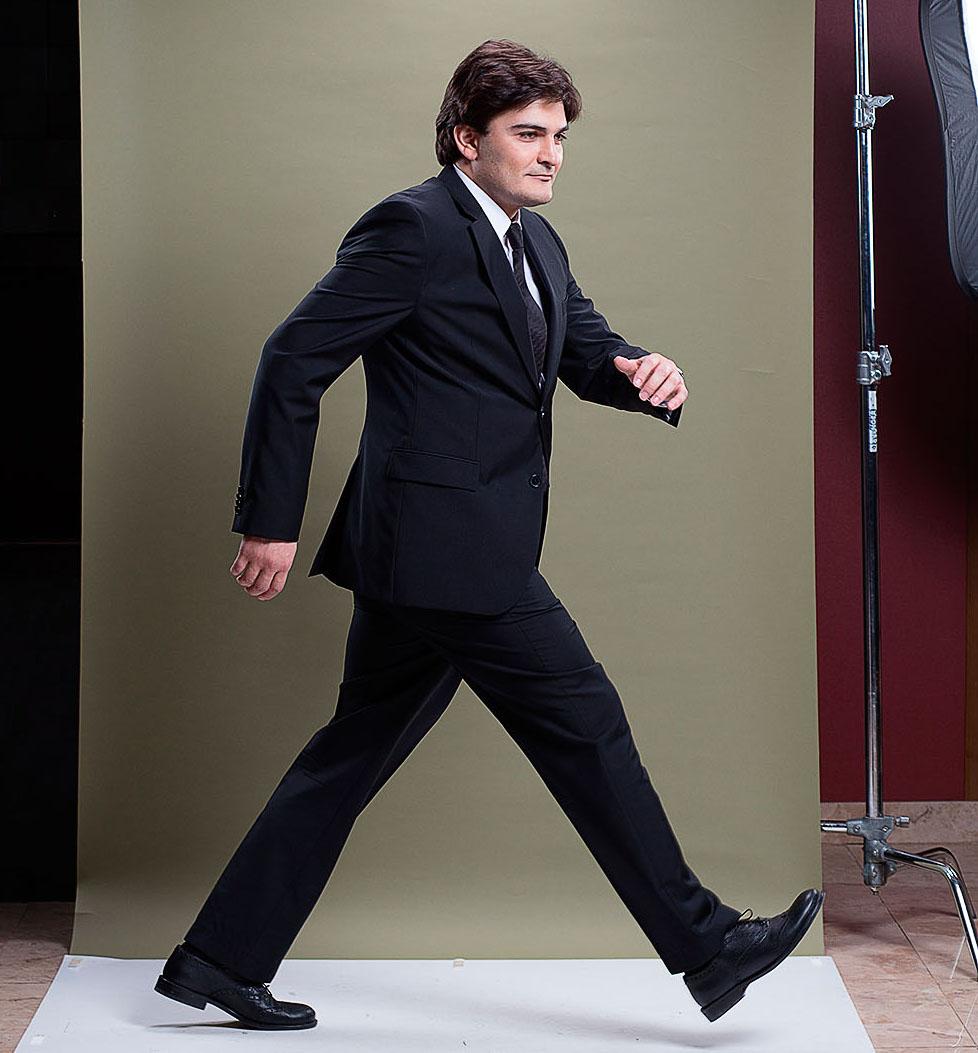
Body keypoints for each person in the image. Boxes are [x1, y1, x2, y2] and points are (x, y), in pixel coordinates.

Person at [155, 38, 824, 1031]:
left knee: (351, 753)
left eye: (560, 136)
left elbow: (585, 352)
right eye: (528, 133)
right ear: (468, 140)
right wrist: (269, 522)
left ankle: (218, 958)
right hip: (450, 549)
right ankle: (709, 945)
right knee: (587, 726)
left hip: (438, 548)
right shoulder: (413, 229)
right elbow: (292, 358)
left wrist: (645, 372)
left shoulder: (536, 241)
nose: (551, 153)